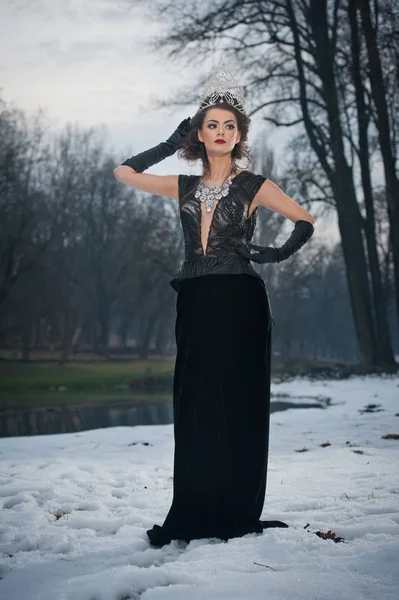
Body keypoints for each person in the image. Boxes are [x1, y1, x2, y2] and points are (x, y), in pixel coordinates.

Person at [113, 64, 316, 547]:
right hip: (196, 298)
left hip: (239, 299)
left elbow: (304, 219)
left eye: (230, 126)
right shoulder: (183, 185)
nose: (221, 133)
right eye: (212, 125)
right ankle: (196, 506)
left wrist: (276, 253)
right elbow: (123, 173)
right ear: (199, 133)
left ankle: (235, 508)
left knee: (236, 402)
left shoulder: (254, 186)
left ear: (240, 134)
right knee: (196, 403)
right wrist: (168, 143)